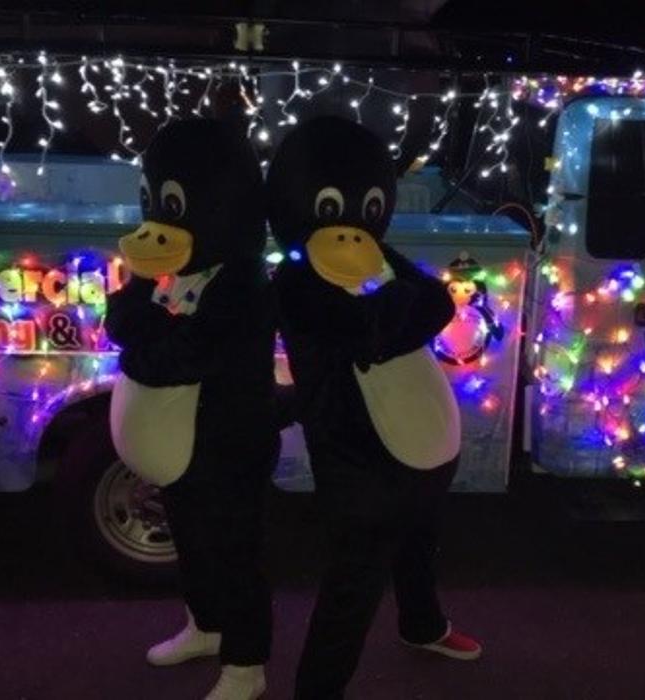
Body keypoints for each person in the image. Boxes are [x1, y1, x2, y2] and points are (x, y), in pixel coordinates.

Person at [267, 116, 482, 700]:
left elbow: (436, 303)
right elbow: (369, 333)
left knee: (419, 542)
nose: (348, 230)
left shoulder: (377, 253)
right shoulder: (295, 282)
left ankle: (422, 624)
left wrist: (395, 305)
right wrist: (394, 307)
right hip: (357, 456)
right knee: (353, 580)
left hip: (423, 441)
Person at [105, 119, 277, 700]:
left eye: (174, 205)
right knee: (192, 542)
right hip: (180, 446)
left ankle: (247, 666)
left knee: (235, 553)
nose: (160, 221)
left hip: (230, 443)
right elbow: (119, 320)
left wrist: (140, 347)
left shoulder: (245, 283)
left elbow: (185, 355)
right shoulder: (166, 264)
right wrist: (146, 313)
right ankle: (207, 626)